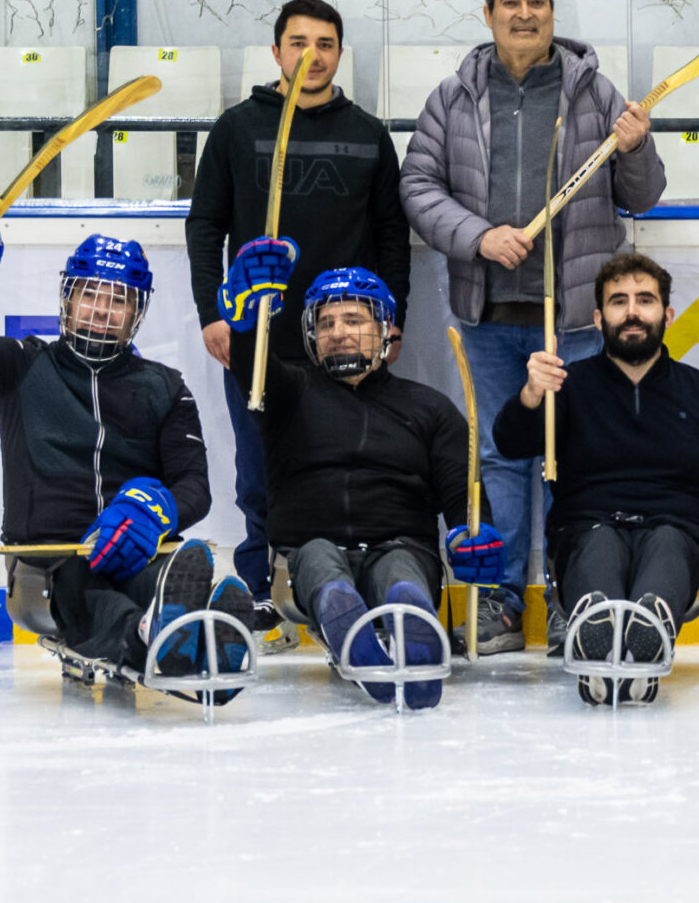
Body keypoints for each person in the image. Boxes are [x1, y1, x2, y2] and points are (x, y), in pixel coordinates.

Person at [402, 0, 666, 654]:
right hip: (488, 317)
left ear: (554, 12)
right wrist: (479, 237)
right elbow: (419, 189)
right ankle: (499, 601)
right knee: (497, 457)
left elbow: (642, 196)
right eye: (510, 2)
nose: (525, 13)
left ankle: (567, 593)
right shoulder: (453, 99)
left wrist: (635, 150)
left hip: (575, 319)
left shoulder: (596, 94)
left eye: (538, 2)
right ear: (487, 15)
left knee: (570, 460)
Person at [0, 212, 243, 699]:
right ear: (67, 299)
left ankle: (185, 640)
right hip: (50, 563)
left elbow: (194, 486)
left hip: (137, 550)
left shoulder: (165, 387)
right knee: (81, 586)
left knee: (155, 578)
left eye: (119, 299)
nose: (101, 309)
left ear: (137, 312)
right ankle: (159, 637)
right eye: (90, 294)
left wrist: (157, 510)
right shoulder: (20, 367)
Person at [185, 0, 409, 627]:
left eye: (326, 44)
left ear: (340, 53)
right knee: (259, 471)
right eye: (300, 43)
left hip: (347, 338)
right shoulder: (236, 128)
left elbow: (392, 232)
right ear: (277, 50)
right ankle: (259, 588)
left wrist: (392, 317)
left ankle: (341, 581)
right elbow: (205, 228)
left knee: (347, 467)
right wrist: (214, 312)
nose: (313, 55)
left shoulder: (367, 133)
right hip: (258, 336)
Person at [217, 246, 506, 708]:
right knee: (319, 558)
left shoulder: (430, 409)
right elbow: (251, 365)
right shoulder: (289, 392)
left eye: (354, 320)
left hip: (402, 546)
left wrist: (474, 536)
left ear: (386, 330)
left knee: (400, 571)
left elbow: (462, 496)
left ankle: (410, 621)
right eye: (326, 323)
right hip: (305, 555)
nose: (338, 333)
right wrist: (245, 317)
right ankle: (345, 619)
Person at [494, 252, 699, 705]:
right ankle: (598, 632)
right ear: (599, 319)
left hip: (678, 527)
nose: (632, 311)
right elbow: (509, 444)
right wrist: (531, 394)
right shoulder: (566, 386)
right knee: (598, 547)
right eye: (619, 301)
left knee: (668, 545)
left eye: (645, 300)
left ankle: (644, 637)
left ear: (667, 314)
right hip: (588, 525)